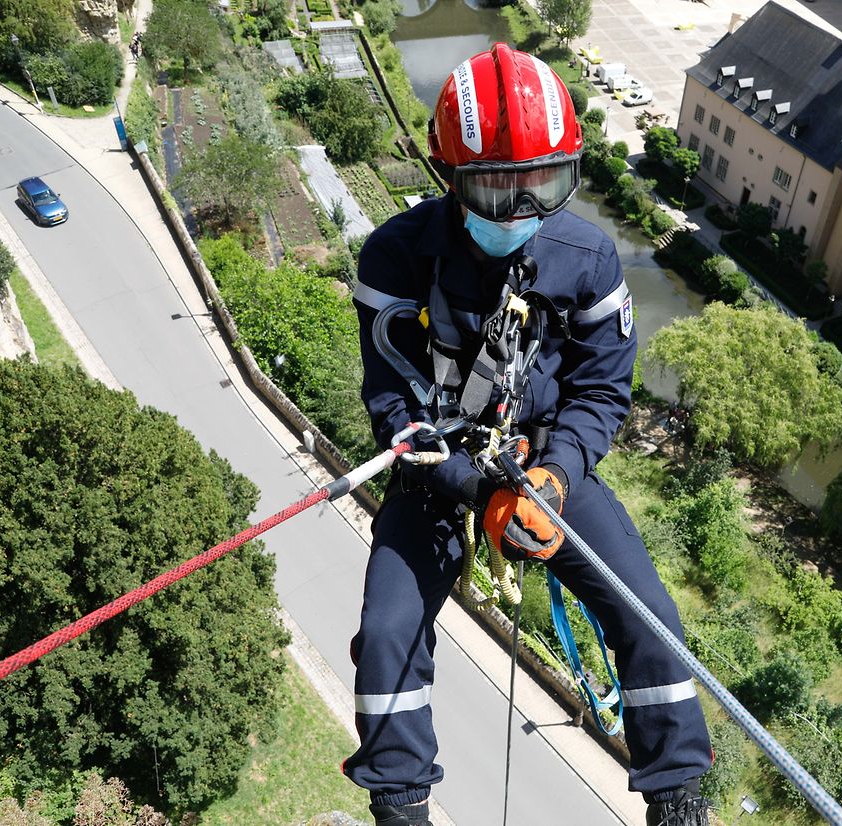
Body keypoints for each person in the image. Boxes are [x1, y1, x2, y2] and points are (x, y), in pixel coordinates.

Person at [347, 44, 713, 826]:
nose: (517, 210)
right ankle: (401, 801)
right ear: (450, 176)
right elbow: (394, 405)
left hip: (542, 459)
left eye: (539, 185)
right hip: (440, 466)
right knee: (387, 633)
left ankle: (678, 793)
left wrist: (552, 478)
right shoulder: (397, 258)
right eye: (493, 186)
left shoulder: (584, 260)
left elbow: (601, 386)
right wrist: (473, 490)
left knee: (648, 616)